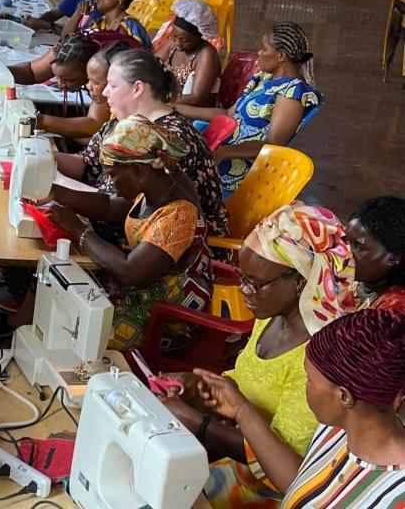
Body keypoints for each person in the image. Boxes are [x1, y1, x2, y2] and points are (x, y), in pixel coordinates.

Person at [161, 201, 355, 507]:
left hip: (267, 492)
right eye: (243, 278)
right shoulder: (271, 314)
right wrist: (200, 388)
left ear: (300, 281)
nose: (244, 291)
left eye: (256, 284)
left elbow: (286, 466)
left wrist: (201, 425)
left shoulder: (320, 360)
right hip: (229, 458)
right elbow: (248, 379)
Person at [194, 308, 405, 508]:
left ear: (344, 396)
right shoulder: (338, 430)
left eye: (310, 379)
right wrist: (241, 410)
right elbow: (302, 486)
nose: (305, 386)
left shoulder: (395, 497)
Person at [45, 115, 213, 352]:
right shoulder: (157, 181)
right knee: (67, 290)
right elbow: (109, 207)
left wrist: (78, 229)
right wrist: (56, 192)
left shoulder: (178, 213)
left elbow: (129, 271)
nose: (110, 182)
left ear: (137, 170)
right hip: (148, 282)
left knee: (88, 333)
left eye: (113, 175)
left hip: (172, 310)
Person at [55, 48, 229, 242]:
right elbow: (86, 163)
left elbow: (119, 209)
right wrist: (46, 158)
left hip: (167, 250)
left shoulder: (169, 139)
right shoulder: (122, 122)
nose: (104, 92)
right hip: (117, 235)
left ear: (137, 88)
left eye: (112, 85)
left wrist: (56, 185)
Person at [175, 22, 321, 197]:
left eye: (264, 48)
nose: (259, 52)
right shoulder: (264, 78)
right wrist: (177, 109)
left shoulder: (292, 93)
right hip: (222, 149)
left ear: (281, 55)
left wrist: (223, 153)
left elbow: (273, 144)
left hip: (237, 167)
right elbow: (229, 114)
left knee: (172, 174)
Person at [155, 0, 221, 107]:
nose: (178, 43)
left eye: (185, 40)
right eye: (174, 36)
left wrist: (159, 101)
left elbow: (196, 97)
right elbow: (152, 64)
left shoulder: (206, 54)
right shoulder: (173, 43)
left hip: (191, 110)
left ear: (199, 37)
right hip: (168, 102)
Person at [63, 0, 153, 50]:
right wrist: (78, 13)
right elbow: (65, 41)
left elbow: (136, 59)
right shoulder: (99, 24)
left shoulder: (130, 26)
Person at [347, 196, 405, 313]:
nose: (344, 251)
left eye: (358, 246)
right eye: (344, 240)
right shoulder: (348, 278)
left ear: (393, 258)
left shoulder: (394, 310)